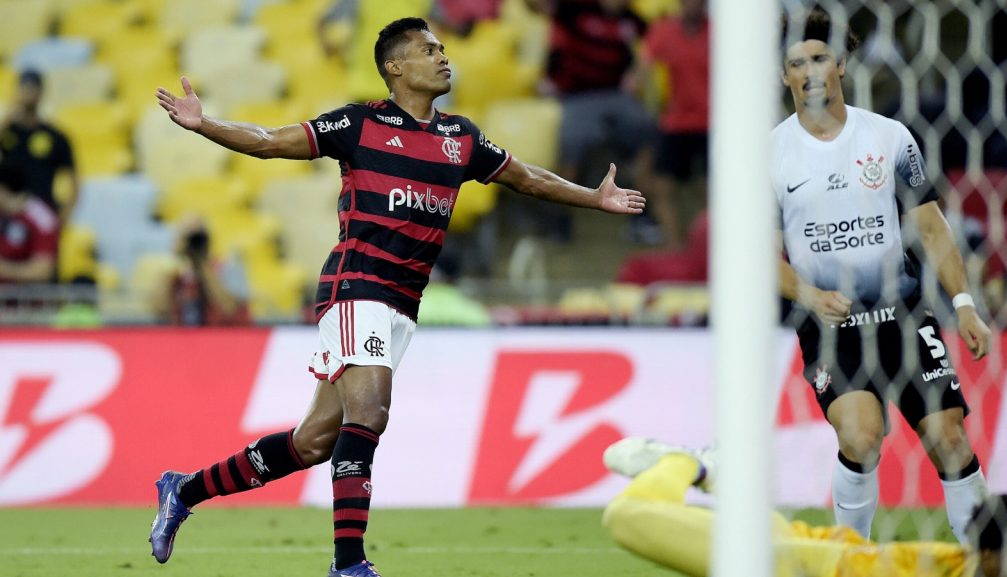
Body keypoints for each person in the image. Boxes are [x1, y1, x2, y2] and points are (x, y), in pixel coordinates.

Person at [150, 16, 645, 577]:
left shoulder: (461, 139)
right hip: (355, 286)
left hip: (402, 304)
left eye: (442, 48)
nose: (442, 56)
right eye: (428, 49)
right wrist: (203, 124)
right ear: (396, 67)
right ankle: (348, 564)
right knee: (371, 411)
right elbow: (269, 142)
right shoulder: (358, 123)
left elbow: (527, 177)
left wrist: (594, 198)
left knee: (314, 442)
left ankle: (184, 490)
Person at [774, 7, 992, 544]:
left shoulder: (890, 137)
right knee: (862, 434)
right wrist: (809, 294)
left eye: (820, 58)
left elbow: (933, 229)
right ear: (785, 75)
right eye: (797, 63)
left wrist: (964, 302)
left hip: (905, 317)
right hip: (830, 330)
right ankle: (853, 556)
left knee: (949, 436)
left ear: (842, 64)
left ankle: (983, 555)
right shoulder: (768, 154)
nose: (810, 71)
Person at [601, 437, 1007, 577]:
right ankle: (688, 464)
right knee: (625, 517)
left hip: (814, 547)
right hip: (788, 566)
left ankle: (722, 478)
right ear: (988, 557)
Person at [525, 0, 657, 242]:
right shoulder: (576, 9)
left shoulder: (633, 20)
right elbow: (537, 6)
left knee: (648, 131)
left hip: (616, 94)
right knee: (573, 144)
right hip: (578, 96)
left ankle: (641, 214)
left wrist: (638, 72)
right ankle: (561, 218)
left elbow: (655, 45)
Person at [637, 0, 709, 247]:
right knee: (662, 187)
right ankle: (675, 247)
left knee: (714, 190)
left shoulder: (719, 33)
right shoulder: (664, 31)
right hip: (676, 122)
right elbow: (643, 66)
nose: (692, 5)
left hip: (712, 124)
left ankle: (709, 247)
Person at [0, 70, 79, 224]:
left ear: (42, 92)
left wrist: (64, 214)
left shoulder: (55, 136)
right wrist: (12, 111)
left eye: (32, 88)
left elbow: (74, 180)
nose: (28, 93)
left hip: (43, 210)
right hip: (9, 210)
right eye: (24, 87)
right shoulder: (7, 132)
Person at [155, 218, 249, 326]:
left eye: (196, 237)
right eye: (187, 237)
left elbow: (230, 308)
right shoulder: (174, 273)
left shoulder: (227, 266)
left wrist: (202, 264)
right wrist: (173, 262)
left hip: (222, 337)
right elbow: (159, 309)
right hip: (184, 338)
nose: (192, 243)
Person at [0, 162, 59, 284]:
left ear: (4, 190)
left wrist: (5, 269)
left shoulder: (42, 218)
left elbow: (42, 270)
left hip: (25, 300)